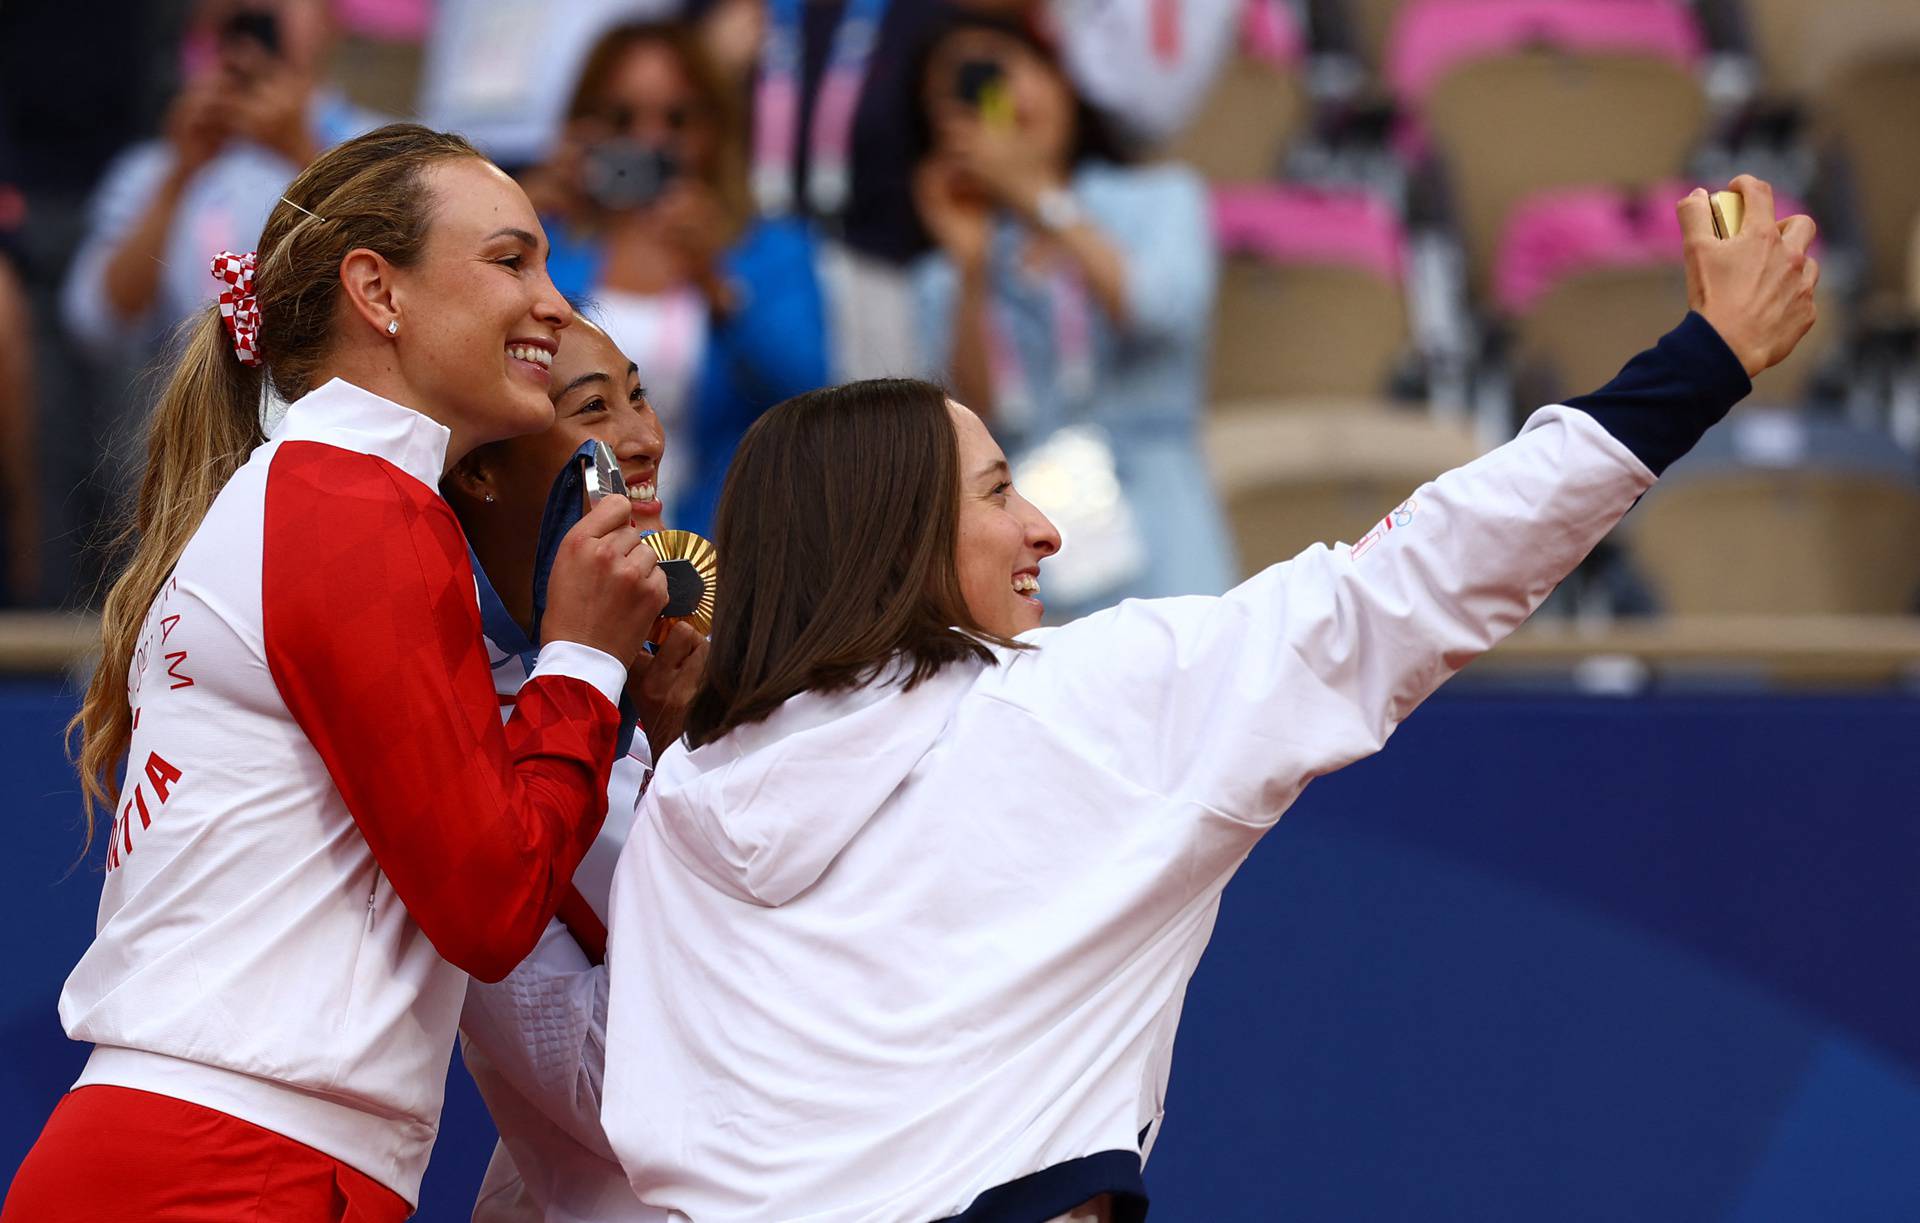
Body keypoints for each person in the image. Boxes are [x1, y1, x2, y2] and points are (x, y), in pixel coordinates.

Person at [598, 177, 1819, 1220]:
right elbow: (1413, 580)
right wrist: (1697, 365)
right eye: (997, 489)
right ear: (893, 532)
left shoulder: (686, 795)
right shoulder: (1080, 699)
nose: (1044, 526)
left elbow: (634, 1139)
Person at [3, 123, 667, 1223]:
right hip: (233, 1170)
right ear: (377, 290)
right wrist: (586, 658)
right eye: (511, 261)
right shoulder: (360, 504)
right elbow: (493, 901)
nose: (554, 300)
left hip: (198, 1154)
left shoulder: (303, 492)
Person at [445, 317, 702, 1223]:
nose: (645, 437)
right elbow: (615, 1090)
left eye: (640, 394)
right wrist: (688, 765)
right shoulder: (455, 729)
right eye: (595, 407)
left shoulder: (687, 662)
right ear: (478, 468)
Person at [911, 13, 1232, 614]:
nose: (993, 100)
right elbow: (970, 419)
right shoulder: (946, 271)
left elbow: (1160, 311)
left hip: (1164, 524)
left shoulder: (1160, 198)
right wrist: (974, 271)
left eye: (1000, 71)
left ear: (1060, 80)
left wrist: (1037, 195)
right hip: (1032, 539)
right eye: (962, 92)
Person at [533, 20, 830, 534]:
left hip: (719, 540)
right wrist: (517, 213)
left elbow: (811, 397)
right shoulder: (545, 244)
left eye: (676, 118)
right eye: (622, 118)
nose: (650, 139)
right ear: (583, 125)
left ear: (715, 127)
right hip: (564, 534)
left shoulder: (768, 249)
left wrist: (717, 280)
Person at [60, 0, 380, 360]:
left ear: (331, 18)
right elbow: (95, 319)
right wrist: (179, 179)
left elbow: (404, 275)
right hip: (200, 403)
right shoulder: (157, 166)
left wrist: (305, 157)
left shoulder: (389, 145)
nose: (257, 6)